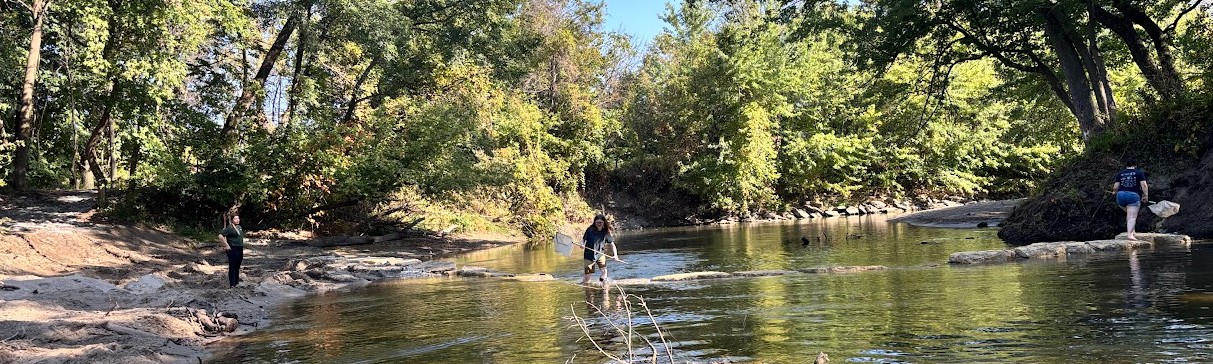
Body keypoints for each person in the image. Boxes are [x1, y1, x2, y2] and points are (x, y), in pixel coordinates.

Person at [1112, 158, 1149, 240]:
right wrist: (1145, 196)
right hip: (1133, 195)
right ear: (1135, 166)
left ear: (1126, 166)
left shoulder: (1120, 174)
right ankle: (1130, 235)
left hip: (1120, 196)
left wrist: (1114, 191)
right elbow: (1144, 185)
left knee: (1129, 214)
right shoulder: (1139, 173)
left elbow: (1115, 187)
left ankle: (1133, 231)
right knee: (1132, 216)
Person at [579, 214, 621, 285]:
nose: (599, 224)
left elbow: (612, 245)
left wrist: (615, 255)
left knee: (604, 272)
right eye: (597, 222)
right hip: (589, 255)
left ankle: (604, 287)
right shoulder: (590, 230)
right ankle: (587, 289)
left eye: (601, 222)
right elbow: (583, 240)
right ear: (595, 222)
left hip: (600, 254)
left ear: (604, 222)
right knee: (587, 277)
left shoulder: (605, 232)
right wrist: (582, 244)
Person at [218, 214, 245, 288]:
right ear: (232, 220)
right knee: (232, 266)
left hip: (240, 248)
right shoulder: (229, 228)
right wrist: (226, 245)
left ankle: (237, 282)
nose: (237, 220)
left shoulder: (239, 227)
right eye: (235, 219)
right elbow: (220, 236)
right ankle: (232, 284)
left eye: (238, 218)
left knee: (237, 266)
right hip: (233, 248)